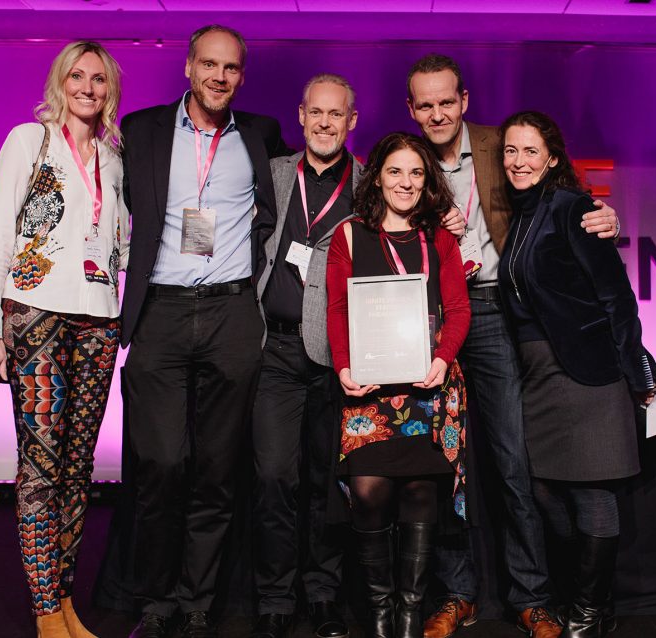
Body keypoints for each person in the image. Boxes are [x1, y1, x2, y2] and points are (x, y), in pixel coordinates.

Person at [405, 54, 622, 638]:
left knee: (512, 462)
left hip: (499, 313)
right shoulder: (405, 158)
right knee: (442, 462)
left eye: (446, 101)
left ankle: (531, 595)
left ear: (465, 100)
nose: (436, 113)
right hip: (431, 319)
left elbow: (560, 193)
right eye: (425, 104)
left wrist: (604, 217)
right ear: (411, 109)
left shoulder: (501, 144)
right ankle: (457, 594)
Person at [118, 25, 291, 638]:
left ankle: (196, 604)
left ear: (242, 75)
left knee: (218, 469)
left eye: (232, 68)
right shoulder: (140, 131)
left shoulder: (261, 135)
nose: (220, 77)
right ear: (189, 67)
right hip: (160, 313)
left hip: (231, 315)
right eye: (210, 65)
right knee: (162, 464)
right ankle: (154, 599)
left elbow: (290, 206)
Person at [0, 41, 128, 638]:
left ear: (111, 89)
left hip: (99, 320)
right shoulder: (26, 142)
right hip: (35, 316)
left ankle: (63, 598)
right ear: (59, 82)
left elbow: (116, 242)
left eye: (99, 79)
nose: (88, 88)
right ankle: (44, 610)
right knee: (40, 467)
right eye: (77, 77)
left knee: (76, 468)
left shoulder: (113, 160)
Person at [497, 110, 656, 638]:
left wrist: (634, 364)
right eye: (510, 151)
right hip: (539, 376)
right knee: (545, 489)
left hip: (588, 371)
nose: (518, 162)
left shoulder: (573, 208)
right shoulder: (521, 216)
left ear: (551, 157)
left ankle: (589, 611)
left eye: (529, 151)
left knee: (593, 494)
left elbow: (616, 295)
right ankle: (587, 597)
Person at [326, 132, 471, 638]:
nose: (405, 182)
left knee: (419, 491)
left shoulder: (441, 238)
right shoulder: (349, 235)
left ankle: (408, 615)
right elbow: (338, 308)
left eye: (415, 172)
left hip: (428, 386)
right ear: (378, 177)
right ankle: (381, 611)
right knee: (367, 492)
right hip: (369, 391)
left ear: (427, 179)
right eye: (394, 171)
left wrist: (441, 357)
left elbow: (458, 310)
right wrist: (344, 366)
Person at [251, 74, 362, 638]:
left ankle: (321, 593)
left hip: (337, 357)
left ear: (352, 121)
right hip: (276, 348)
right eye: (315, 112)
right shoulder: (271, 174)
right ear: (300, 115)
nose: (324, 123)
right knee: (274, 476)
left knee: (326, 481)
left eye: (335, 114)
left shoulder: (369, 184)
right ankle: (274, 597)